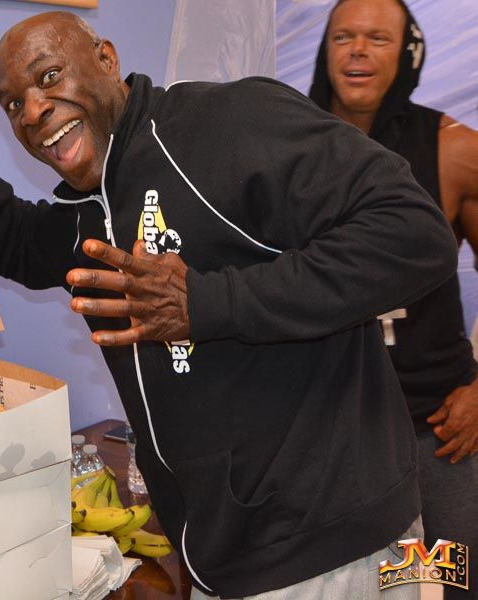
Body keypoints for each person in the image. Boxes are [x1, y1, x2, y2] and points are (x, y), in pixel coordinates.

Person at [0, 12, 459, 599]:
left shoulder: (229, 121)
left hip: (331, 551)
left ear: (106, 59)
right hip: (220, 560)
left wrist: (207, 302)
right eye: (13, 104)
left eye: (48, 77)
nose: (33, 112)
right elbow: (23, 242)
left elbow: (413, 233)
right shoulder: (92, 204)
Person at [310, 1, 478, 597]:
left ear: (408, 52)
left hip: (435, 429)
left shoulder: (452, 148)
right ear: (325, 50)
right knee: (363, 589)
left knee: (451, 581)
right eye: (343, 37)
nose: (357, 50)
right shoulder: (285, 145)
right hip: (325, 432)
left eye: (377, 38)